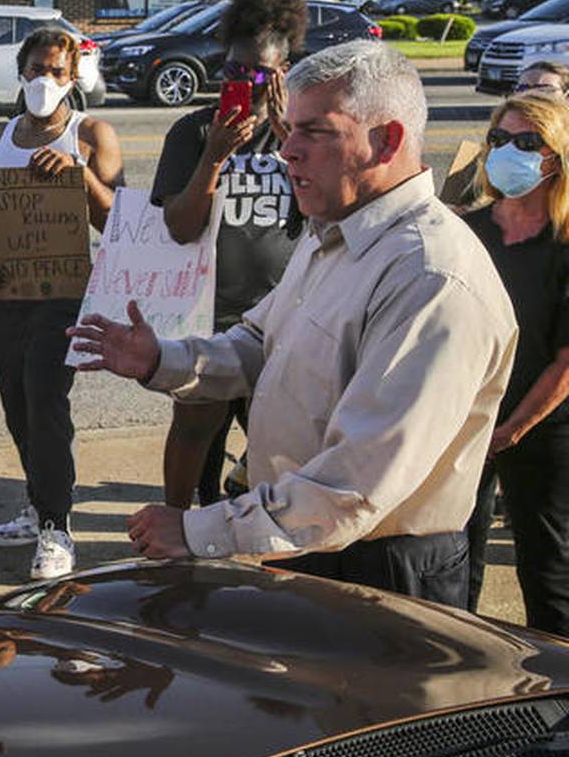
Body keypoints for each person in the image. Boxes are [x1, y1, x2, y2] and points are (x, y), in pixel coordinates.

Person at [70, 40, 518, 607]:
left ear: (388, 141)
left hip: (381, 576)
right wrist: (163, 359)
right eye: (290, 129)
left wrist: (196, 530)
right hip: (305, 545)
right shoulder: (334, 230)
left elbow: (354, 486)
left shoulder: (430, 278)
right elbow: (259, 343)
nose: (289, 152)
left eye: (316, 132)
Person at [149, 0, 305, 509]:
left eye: (256, 72)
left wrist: (291, 141)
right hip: (209, 315)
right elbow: (180, 226)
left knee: (278, 441)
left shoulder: (303, 137)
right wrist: (213, 155)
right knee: (193, 430)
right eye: (233, 69)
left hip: (282, 314)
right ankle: (176, 526)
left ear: (280, 73)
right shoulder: (192, 132)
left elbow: (328, 214)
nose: (240, 81)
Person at [0, 27, 123, 581]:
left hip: (65, 294)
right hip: (8, 293)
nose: (45, 80)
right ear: (21, 73)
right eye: (36, 69)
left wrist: (82, 180)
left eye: (57, 71)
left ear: (74, 76)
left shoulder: (92, 135)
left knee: (45, 397)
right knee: (16, 405)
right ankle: (38, 506)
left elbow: (118, 223)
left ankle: (58, 526)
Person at [463, 92, 569, 635]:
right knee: (455, 566)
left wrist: (512, 430)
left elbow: (566, 362)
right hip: (464, 426)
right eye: (500, 140)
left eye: (528, 143)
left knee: (548, 572)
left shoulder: (565, 242)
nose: (510, 152)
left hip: (542, 431)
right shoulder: (466, 234)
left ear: (557, 156)